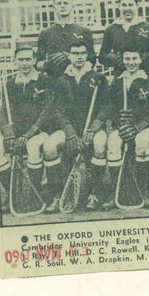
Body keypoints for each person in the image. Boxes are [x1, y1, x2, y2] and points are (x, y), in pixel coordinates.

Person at [105, 44, 149, 207]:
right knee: (112, 143)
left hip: (145, 127)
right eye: (127, 59)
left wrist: (139, 125)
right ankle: (120, 190)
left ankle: (147, 190)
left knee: (142, 143)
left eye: (134, 58)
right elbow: (111, 108)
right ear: (122, 60)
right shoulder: (117, 82)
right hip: (124, 127)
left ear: (140, 60)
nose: (131, 62)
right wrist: (119, 123)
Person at [51, 38, 109, 211]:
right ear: (69, 55)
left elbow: (107, 106)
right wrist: (70, 133)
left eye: (82, 53)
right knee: (49, 146)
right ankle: (57, 194)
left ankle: (95, 193)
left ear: (87, 55)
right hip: (70, 129)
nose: (79, 57)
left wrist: (95, 126)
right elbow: (58, 111)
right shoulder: (61, 80)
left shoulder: (98, 77)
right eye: (75, 53)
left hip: (92, 128)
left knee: (99, 145)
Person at [0, 44, 55, 210]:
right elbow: (3, 112)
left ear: (34, 60)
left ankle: (33, 195)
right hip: (17, 131)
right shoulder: (10, 83)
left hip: (40, 130)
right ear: (15, 62)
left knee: (33, 146)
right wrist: (8, 135)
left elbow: (47, 112)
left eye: (28, 59)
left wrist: (28, 134)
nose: (24, 63)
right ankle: (15, 194)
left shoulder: (44, 80)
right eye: (21, 59)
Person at [98, 0, 149, 77]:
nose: (127, 9)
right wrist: (117, 59)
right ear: (119, 6)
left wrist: (142, 59)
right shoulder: (111, 29)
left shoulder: (148, 28)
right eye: (124, 5)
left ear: (137, 6)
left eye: (130, 5)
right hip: (120, 75)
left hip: (144, 75)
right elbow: (102, 56)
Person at [35, 0, 95, 77]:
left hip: (77, 79)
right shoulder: (45, 32)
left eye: (66, 3)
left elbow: (92, 60)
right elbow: (38, 63)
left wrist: (74, 62)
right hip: (54, 80)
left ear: (72, 6)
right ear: (54, 7)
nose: (62, 6)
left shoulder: (84, 31)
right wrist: (47, 64)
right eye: (59, 3)